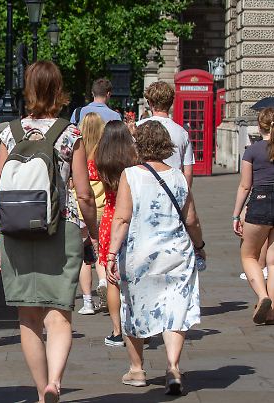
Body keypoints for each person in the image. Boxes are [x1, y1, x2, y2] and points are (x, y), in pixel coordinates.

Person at [0, 61, 98, 403]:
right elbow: (82, 192)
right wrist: (93, 232)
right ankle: (54, 382)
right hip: (59, 229)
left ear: (29, 88)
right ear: (59, 90)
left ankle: (40, 392)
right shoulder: (70, 134)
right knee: (59, 313)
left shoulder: (10, 132)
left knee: (27, 316)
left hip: (15, 231)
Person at [106, 120, 204, 395]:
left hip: (141, 253)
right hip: (176, 253)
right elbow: (192, 219)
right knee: (175, 308)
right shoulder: (177, 177)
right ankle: (172, 366)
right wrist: (200, 244)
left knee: (134, 305)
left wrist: (112, 252)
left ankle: (137, 369)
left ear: (139, 144)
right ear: (166, 145)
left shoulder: (130, 175)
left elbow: (123, 218)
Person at [94, 121, 139, 347]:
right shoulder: (134, 160)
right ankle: (140, 329)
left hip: (110, 218)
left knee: (112, 278)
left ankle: (116, 331)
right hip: (133, 218)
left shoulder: (100, 161)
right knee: (135, 276)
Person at [232, 107, 274, 324]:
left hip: (259, 204)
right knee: (273, 262)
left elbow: (245, 186)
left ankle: (263, 296)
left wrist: (236, 215)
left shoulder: (252, 151)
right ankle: (272, 308)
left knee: (249, 256)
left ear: (259, 127)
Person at [75, 112, 108, 315]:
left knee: (84, 256)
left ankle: (87, 302)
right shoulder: (104, 153)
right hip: (102, 208)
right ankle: (104, 281)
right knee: (101, 252)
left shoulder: (77, 151)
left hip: (80, 210)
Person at [137, 81, 195, 187]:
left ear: (150, 103)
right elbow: (188, 172)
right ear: (171, 103)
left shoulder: (137, 128)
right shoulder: (182, 133)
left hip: (143, 188)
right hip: (173, 189)